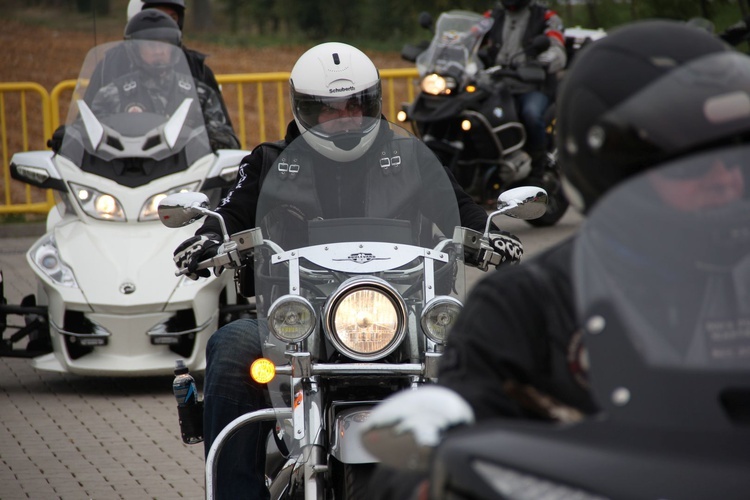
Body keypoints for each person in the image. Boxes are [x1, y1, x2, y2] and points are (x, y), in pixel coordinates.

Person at [368, 18, 744, 498]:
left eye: (734, 153)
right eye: (693, 160)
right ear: (618, 169)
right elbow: (428, 460)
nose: (727, 180)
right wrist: (428, 483)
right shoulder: (528, 307)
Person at [171, 41, 525, 499]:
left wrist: (492, 235)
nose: (345, 118)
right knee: (232, 348)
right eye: (329, 110)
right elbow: (232, 213)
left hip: (406, 314)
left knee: (486, 346)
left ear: (373, 102)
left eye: (356, 106)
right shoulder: (270, 160)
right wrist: (208, 238)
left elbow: (462, 210)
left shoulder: (412, 156)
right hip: (298, 321)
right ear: (303, 109)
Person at [88, 9, 239, 151]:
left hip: (187, 173)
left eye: (165, 44)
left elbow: (227, 140)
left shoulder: (199, 93)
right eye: (150, 45)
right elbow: (86, 135)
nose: (159, 51)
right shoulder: (113, 93)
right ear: (134, 49)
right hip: (129, 172)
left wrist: (202, 141)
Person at [480, 0, 567, 182]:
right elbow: (469, 37)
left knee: (531, 114)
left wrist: (546, 59)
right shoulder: (491, 17)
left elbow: (556, 45)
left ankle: (539, 168)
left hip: (533, 83)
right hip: (498, 83)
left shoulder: (546, 17)